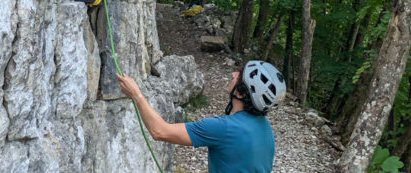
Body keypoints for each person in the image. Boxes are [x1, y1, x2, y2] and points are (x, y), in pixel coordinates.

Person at [117, 60, 287, 173]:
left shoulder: (223, 128)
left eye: (240, 75)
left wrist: (136, 95)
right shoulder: (266, 129)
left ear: (242, 93)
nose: (234, 74)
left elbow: (160, 131)